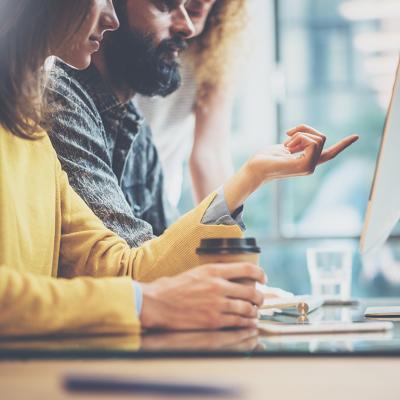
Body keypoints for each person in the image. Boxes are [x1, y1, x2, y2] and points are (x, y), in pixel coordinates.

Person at [0, 0, 269, 337]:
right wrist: (143, 303)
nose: (112, 19)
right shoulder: (51, 109)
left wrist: (252, 175)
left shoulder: (32, 129)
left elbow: (124, 266)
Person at [45, 0, 358, 253]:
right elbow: (136, 265)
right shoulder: (62, 99)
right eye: (166, 5)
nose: (188, 26)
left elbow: (171, 252)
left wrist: (236, 278)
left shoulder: (136, 129)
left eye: (189, 8)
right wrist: (252, 175)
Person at [136, 0, 246, 207]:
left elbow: (210, 155)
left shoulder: (214, 52)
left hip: (161, 206)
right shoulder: (128, 40)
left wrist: (225, 238)